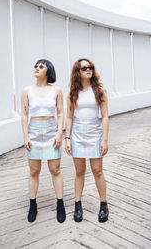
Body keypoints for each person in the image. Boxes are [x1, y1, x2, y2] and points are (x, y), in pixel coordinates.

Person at [21, 59, 66, 223]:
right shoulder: (27, 90)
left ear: (49, 71)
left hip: (51, 131)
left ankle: (60, 203)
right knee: (34, 171)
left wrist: (59, 133)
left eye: (41, 66)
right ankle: (33, 204)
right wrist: (26, 136)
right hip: (33, 132)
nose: (37, 68)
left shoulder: (56, 90)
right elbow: (24, 114)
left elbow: (60, 113)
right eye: (36, 66)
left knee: (55, 169)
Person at [65, 58, 109, 223]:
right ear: (78, 72)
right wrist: (67, 138)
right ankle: (78, 204)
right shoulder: (72, 93)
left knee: (97, 171)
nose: (88, 70)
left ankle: (103, 204)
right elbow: (69, 117)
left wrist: (104, 139)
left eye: (90, 67)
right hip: (77, 134)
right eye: (84, 68)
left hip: (94, 133)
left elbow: (104, 116)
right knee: (79, 171)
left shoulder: (99, 91)